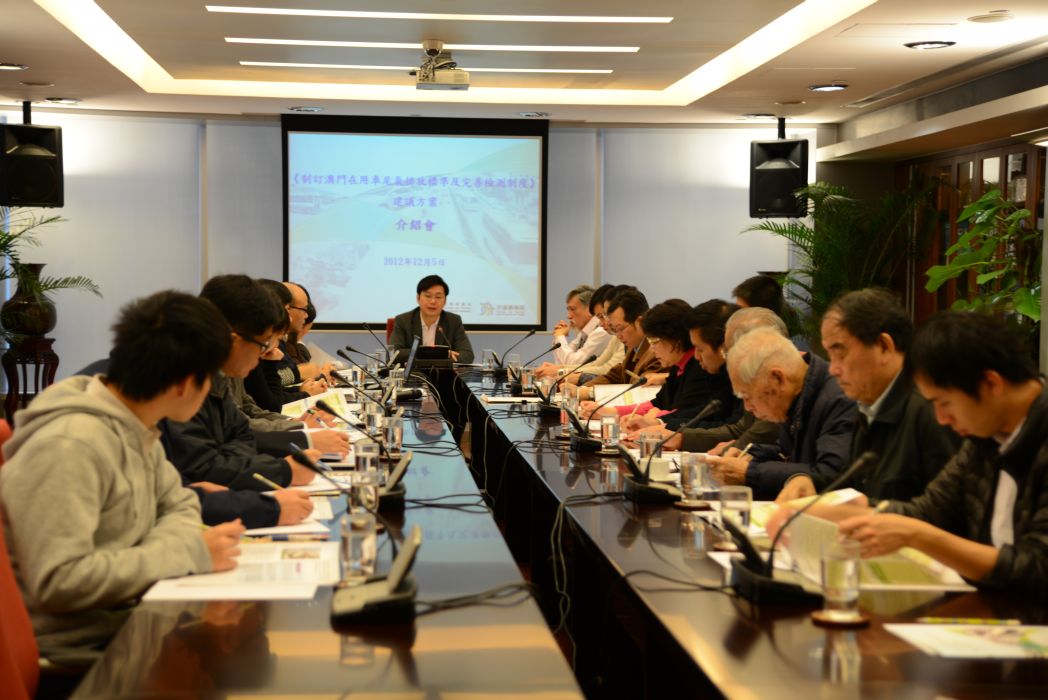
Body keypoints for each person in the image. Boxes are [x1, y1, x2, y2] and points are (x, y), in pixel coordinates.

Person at [1, 291, 244, 658]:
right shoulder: (70, 445)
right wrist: (189, 552)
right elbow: (61, 581)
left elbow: (180, 505)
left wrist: (166, 549)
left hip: (135, 621)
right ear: (184, 384)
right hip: (82, 653)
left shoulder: (138, 424)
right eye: (209, 378)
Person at [771, 312, 1048, 594]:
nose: (941, 418)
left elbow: (1037, 567)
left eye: (944, 403)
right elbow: (926, 512)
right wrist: (819, 512)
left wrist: (916, 536)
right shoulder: (984, 438)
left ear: (990, 384)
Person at [776, 289, 958, 503]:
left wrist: (865, 511)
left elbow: (945, 511)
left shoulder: (933, 411)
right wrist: (806, 480)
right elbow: (855, 486)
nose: (833, 369)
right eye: (830, 356)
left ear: (884, 347)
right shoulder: (868, 405)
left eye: (840, 353)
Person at [161, 274, 320, 490]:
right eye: (263, 344)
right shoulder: (186, 381)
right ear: (233, 339)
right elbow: (202, 469)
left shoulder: (214, 376)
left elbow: (239, 436)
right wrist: (282, 473)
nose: (262, 356)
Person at [710, 327, 855, 499]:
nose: (747, 407)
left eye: (747, 396)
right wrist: (753, 454)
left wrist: (751, 473)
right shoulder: (797, 396)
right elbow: (789, 454)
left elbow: (831, 474)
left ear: (778, 378)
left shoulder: (838, 399)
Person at [629, 307, 785, 451]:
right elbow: (740, 429)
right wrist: (672, 430)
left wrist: (672, 430)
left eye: (700, 348)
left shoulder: (772, 384)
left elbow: (749, 435)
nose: (696, 356)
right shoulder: (750, 377)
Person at [580, 299, 731, 430]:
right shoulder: (678, 367)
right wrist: (611, 412)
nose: (652, 349)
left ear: (675, 339)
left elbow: (690, 413)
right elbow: (658, 403)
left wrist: (657, 419)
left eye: (654, 341)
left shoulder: (700, 368)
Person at [569, 288, 662, 401]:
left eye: (620, 328)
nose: (618, 336)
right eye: (615, 329)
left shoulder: (657, 353)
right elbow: (614, 375)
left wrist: (591, 393)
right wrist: (582, 389)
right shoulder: (634, 346)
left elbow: (639, 392)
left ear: (640, 322)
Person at [389, 274, 474, 364]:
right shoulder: (403, 320)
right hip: (413, 372)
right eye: (428, 296)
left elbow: (467, 355)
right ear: (418, 298)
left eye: (438, 297)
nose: (433, 301)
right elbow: (393, 353)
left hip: (442, 372)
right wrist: (437, 354)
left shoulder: (454, 321)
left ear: (445, 301)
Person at [535, 285, 611, 377]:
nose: (569, 316)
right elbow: (563, 362)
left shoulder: (602, 332)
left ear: (589, 309)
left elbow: (574, 363)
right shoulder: (584, 333)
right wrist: (555, 368)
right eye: (568, 310)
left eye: (573, 309)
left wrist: (560, 337)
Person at [558, 284, 626, 385]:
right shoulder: (614, 336)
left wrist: (562, 371)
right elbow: (598, 364)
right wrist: (560, 369)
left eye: (604, 316)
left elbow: (606, 369)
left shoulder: (603, 332)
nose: (569, 316)